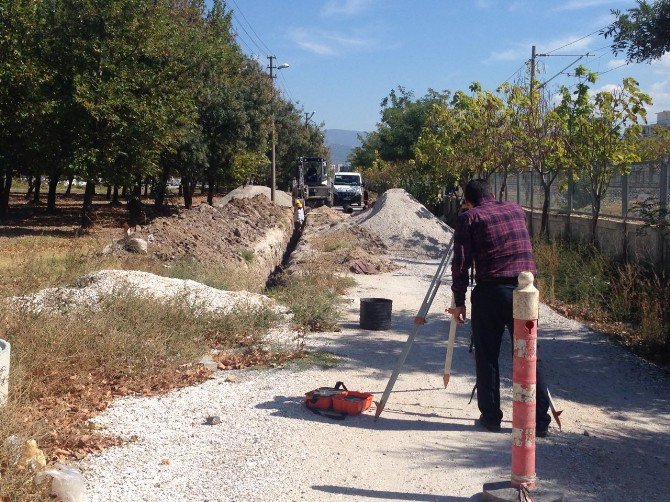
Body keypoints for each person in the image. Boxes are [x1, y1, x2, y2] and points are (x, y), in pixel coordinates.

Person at [448, 178, 551, 437]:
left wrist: (459, 302)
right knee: (528, 355)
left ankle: (492, 417)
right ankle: (539, 421)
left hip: (491, 291)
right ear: (492, 194)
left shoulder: (469, 218)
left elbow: (461, 262)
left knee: (487, 355)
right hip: (525, 291)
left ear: (467, 200)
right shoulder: (516, 209)